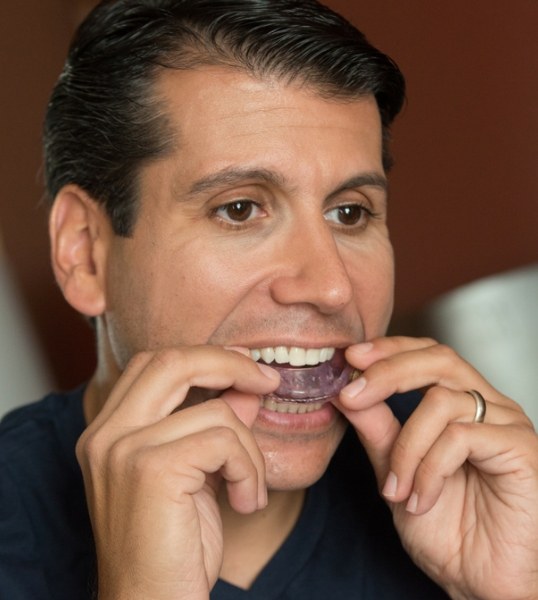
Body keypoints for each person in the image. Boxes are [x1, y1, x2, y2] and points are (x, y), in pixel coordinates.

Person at [1, 0, 537, 598]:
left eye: (350, 212)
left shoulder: (468, 490)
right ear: (86, 253)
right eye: (239, 209)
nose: (331, 287)